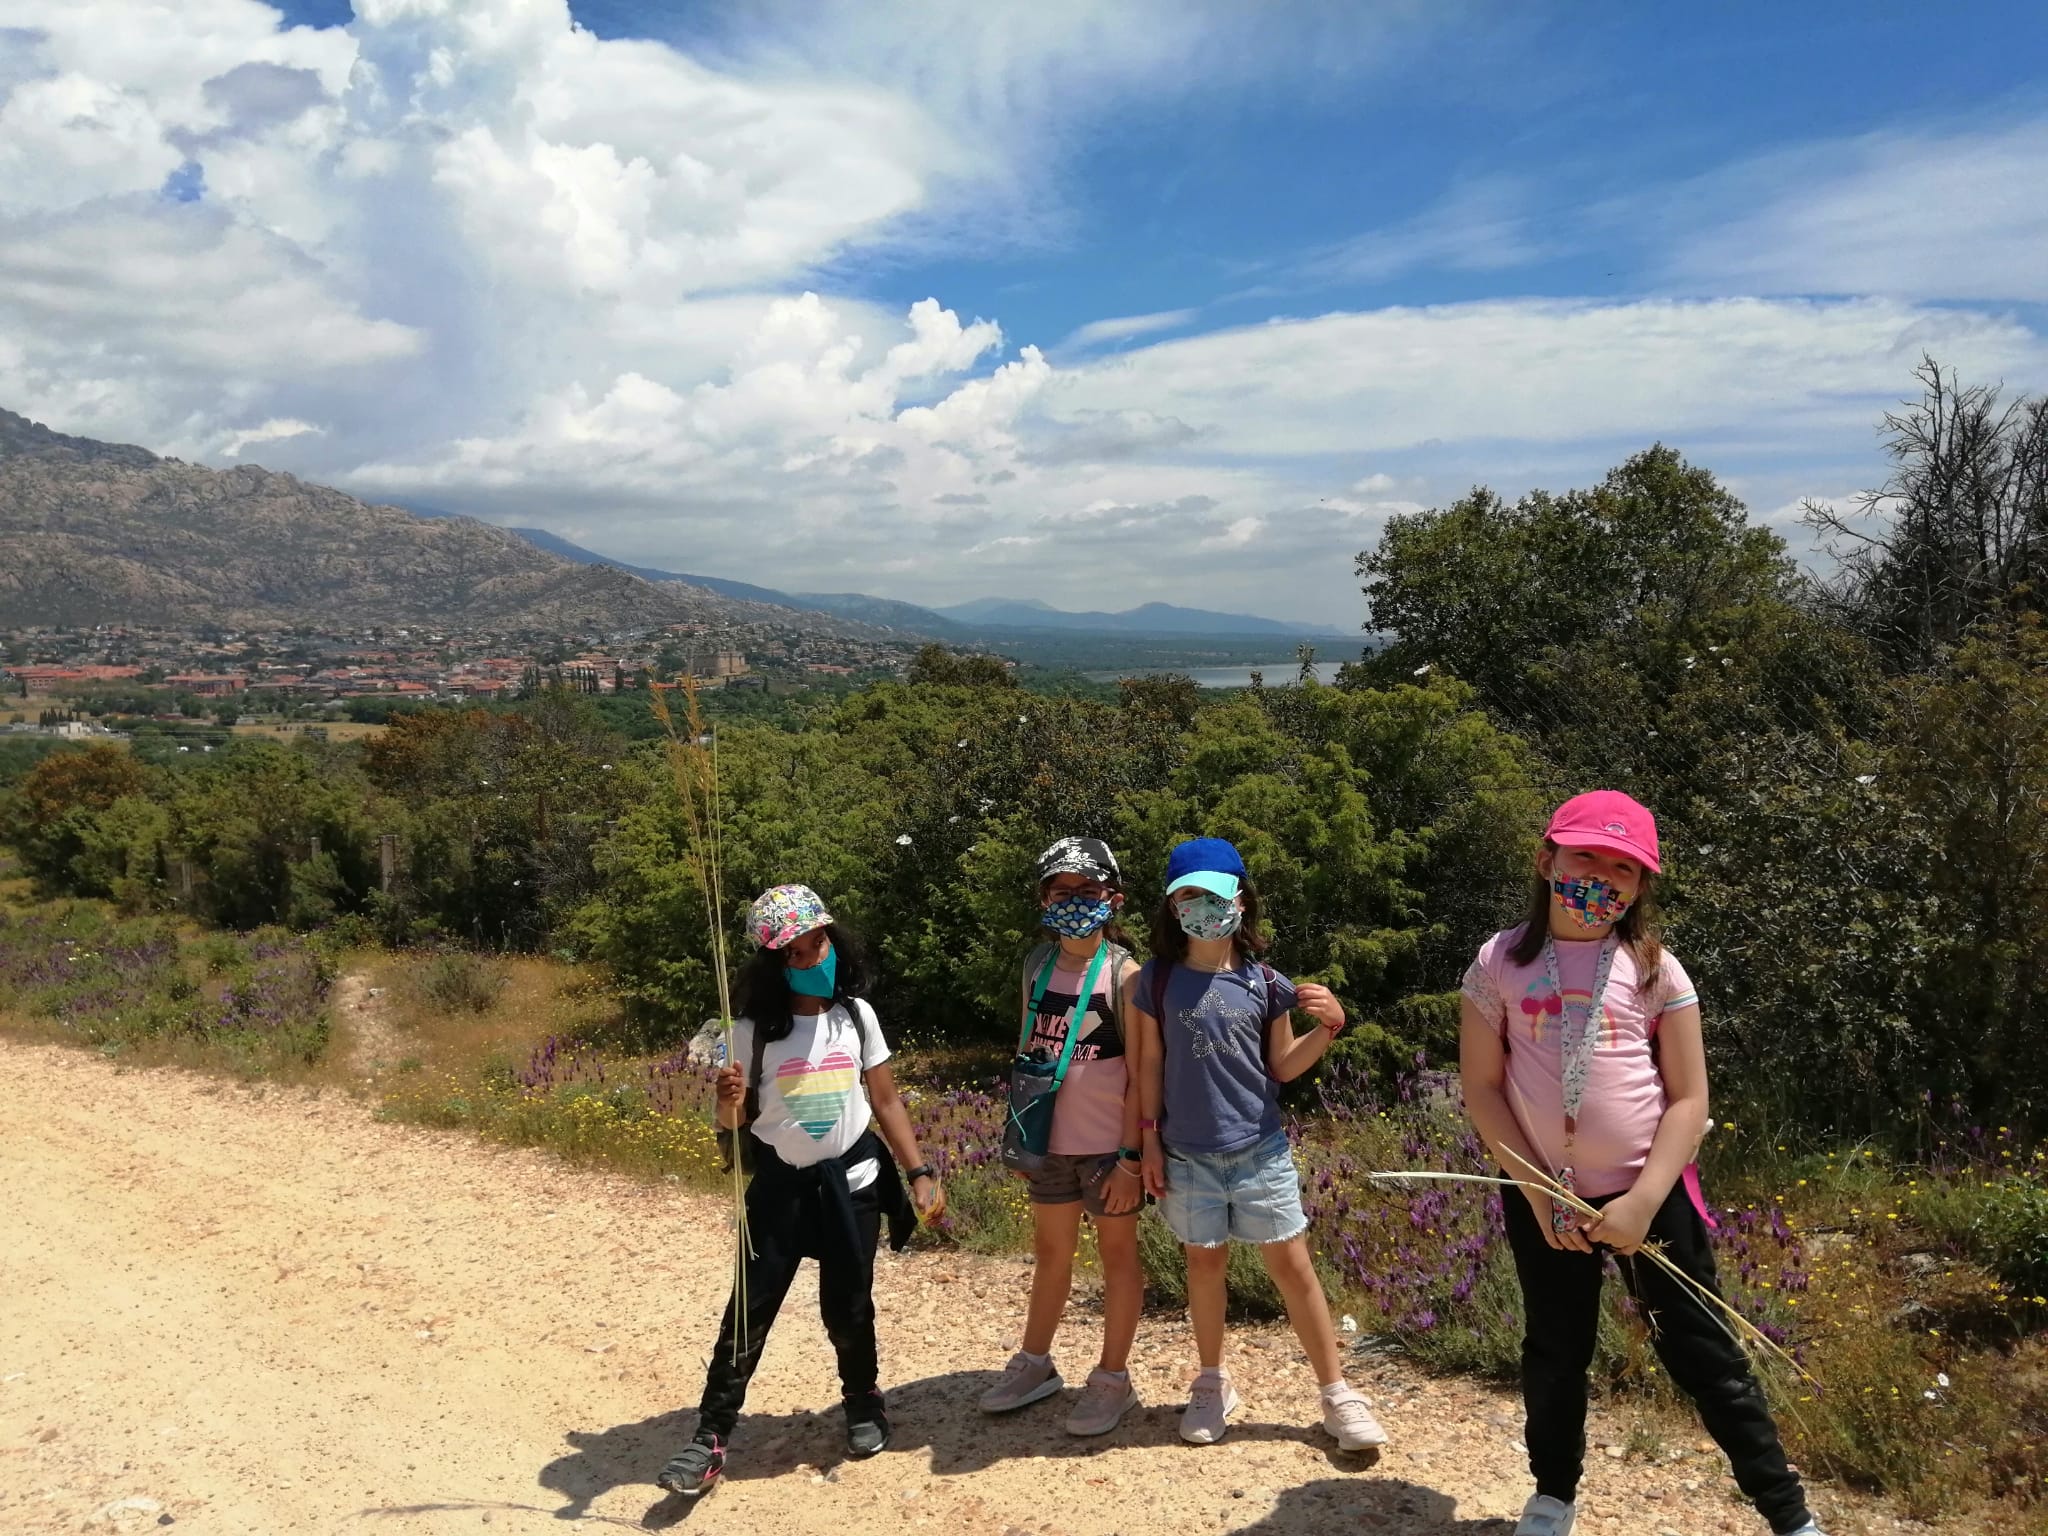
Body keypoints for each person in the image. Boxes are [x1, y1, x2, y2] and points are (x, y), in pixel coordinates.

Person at [1459, 791, 1827, 1536]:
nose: (1602, 876)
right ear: (1547, 860)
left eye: (1622, 867)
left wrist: (1643, 1201)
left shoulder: (1657, 968)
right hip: (1544, 1200)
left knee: (1704, 1353)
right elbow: (1483, 1089)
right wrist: (1536, 1194)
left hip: (1650, 1197)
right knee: (1555, 1351)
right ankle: (1553, 1495)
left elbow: (1689, 1099)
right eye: (1585, 856)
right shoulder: (1498, 962)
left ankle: (1789, 1516)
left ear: (1641, 886)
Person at [657, 884, 944, 1501]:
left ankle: (863, 1400)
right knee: (749, 1310)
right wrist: (726, 1102)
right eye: (796, 951)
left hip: (854, 1186)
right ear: (774, 963)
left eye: (820, 943)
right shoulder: (749, 1033)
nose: (814, 958)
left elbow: (886, 1100)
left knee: (849, 1305)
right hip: (779, 1192)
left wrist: (919, 1171)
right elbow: (732, 1124)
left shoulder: (857, 1016)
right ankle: (710, 1435)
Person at [1132, 836, 1390, 1451]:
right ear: (1172, 907)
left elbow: (1282, 1065)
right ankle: (1211, 1381)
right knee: (1204, 1266)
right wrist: (1147, 1142)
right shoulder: (1154, 982)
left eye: (1214, 895)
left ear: (1241, 900)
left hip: (1260, 1151)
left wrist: (1330, 1027)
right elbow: (1147, 1066)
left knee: (1293, 1268)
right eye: (1189, 897)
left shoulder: (1268, 983)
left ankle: (1336, 1393)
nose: (1202, 908)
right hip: (1186, 1153)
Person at [979, 837, 1147, 1435]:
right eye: (1061, 890)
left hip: (1107, 1148)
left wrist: (1131, 1158)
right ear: (1043, 899)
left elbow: (1142, 1073)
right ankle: (1036, 1362)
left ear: (1113, 898)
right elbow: (1028, 1046)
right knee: (1051, 1255)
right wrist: (1021, 1133)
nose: (1073, 900)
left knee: (1118, 1259)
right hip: (1048, 1141)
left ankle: (1113, 1379)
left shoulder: (1126, 975)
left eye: (1086, 889)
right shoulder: (1036, 965)